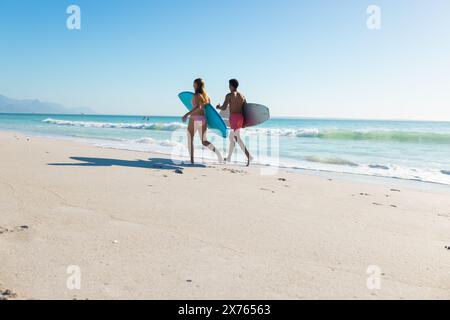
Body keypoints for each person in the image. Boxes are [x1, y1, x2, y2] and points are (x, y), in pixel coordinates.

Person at [182, 78, 223, 164]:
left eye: (194, 84)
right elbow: (208, 110)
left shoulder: (196, 95)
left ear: (197, 85)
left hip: (195, 118)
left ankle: (192, 161)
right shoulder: (206, 96)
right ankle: (218, 154)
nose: (193, 85)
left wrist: (187, 114)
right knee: (204, 141)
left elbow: (198, 107)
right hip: (203, 119)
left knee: (190, 139)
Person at [216, 79, 253, 166]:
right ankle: (229, 157)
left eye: (229, 85)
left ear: (231, 86)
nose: (228, 87)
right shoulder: (242, 96)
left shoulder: (229, 95)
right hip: (240, 118)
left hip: (233, 118)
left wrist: (218, 107)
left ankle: (249, 157)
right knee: (233, 138)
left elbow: (224, 108)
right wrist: (245, 122)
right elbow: (246, 109)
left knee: (237, 139)